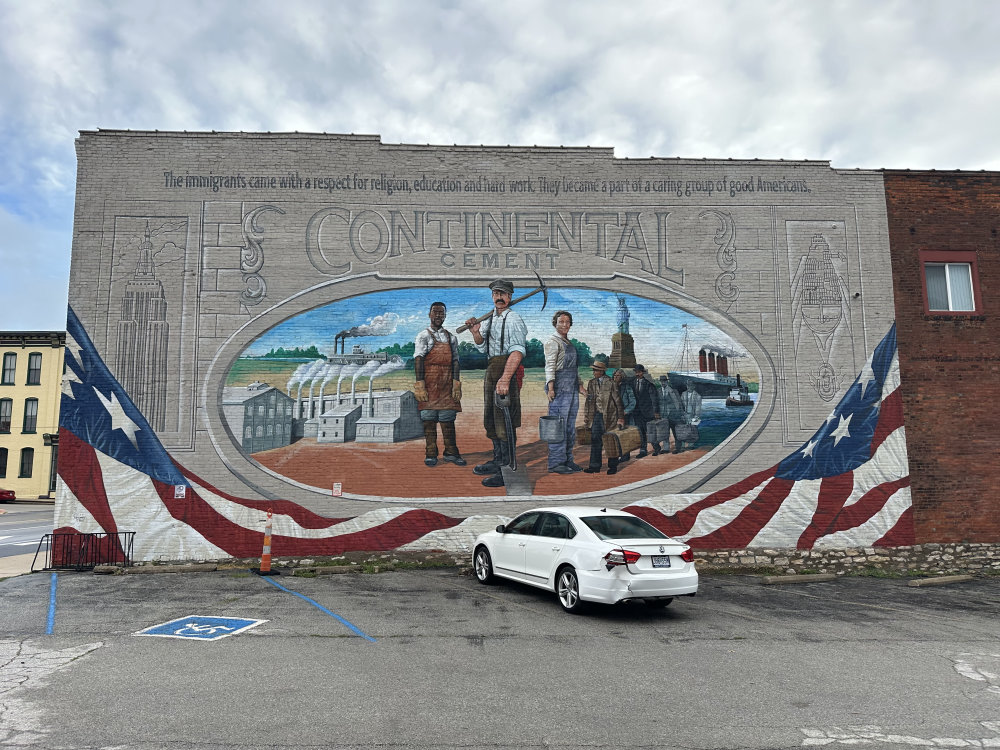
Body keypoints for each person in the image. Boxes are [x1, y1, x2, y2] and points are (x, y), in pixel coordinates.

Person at [464, 279, 527, 488]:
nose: (499, 297)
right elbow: (483, 348)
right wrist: (475, 333)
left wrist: (505, 378)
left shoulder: (514, 319)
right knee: (491, 420)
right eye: (496, 293)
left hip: (505, 370)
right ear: (492, 296)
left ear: (510, 297)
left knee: (504, 423)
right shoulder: (491, 319)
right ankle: (498, 460)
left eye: (503, 293)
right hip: (492, 369)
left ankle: (506, 470)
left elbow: (517, 351)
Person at [413, 301, 465, 467]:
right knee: (428, 418)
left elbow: (456, 361)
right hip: (429, 382)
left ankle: (451, 452)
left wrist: (456, 382)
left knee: (447, 418)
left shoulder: (452, 338)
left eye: (441, 313)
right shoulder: (423, 336)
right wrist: (420, 383)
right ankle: (431, 453)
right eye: (435, 312)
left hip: (447, 383)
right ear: (429, 315)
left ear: (445, 316)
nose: (438, 315)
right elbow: (419, 359)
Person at [543, 310, 587, 473]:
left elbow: (574, 369)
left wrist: (580, 386)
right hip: (559, 388)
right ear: (555, 323)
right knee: (557, 426)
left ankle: (568, 459)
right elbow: (550, 366)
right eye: (561, 322)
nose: (565, 325)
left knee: (569, 426)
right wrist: (551, 387)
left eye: (567, 322)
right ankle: (555, 463)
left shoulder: (569, 343)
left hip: (571, 389)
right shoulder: (552, 341)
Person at [583, 361, 625, 475]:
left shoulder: (611, 383)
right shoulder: (592, 383)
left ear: (602, 371)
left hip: (610, 417)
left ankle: (612, 466)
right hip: (596, 416)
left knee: (610, 441)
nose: (594, 372)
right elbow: (589, 400)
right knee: (595, 440)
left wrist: (621, 417)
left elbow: (618, 401)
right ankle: (594, 466)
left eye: (595, 370)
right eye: (593, 370)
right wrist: (587, 415)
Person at [630, 364, 657, 458]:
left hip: (648, 413)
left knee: (649, 431)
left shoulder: (649, 384)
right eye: (636, 372)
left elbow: (654, 400)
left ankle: (656, 447)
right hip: (637, 413)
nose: (637, 374)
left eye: (639, 372)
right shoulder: (632, 383)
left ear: (643, 373)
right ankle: (643, 450)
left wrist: (656, 412)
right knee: (640, 432)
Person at [654, 374, 684, 455]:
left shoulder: (673, 391)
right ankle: (666, 448)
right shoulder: (658, 391)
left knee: (676, 432)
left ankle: (678, 448)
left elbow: (678, 403)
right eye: (661, 381)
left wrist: (680, 414)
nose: (663, 383)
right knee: (665, 432)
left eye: (664, 381)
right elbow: (656, 403)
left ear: (667, 382)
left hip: (673, 415)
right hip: (663, 416)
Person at [613, 368, 636, 463]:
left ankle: (625, 455)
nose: (615, 377)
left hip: (625, 416)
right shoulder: (611, 387)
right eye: (614, 375)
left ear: (622, 377)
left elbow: (633, 402)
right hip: (613, 416)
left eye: (618, 376)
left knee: (624, 436)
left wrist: (625, 411)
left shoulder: (627, 387)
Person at [679, 383, 703, 451]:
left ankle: (691, 445)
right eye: (688, 385)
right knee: (683, 430)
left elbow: (698, 408)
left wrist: (696, 417)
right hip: (684, 414)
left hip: (693, 415)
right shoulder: (683, 394)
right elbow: (680, 405)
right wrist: (682, 414)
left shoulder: (698, 396)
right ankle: (683, 445)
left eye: (690, 385)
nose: (689, 387)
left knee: (693, 430)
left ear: (694, 386)